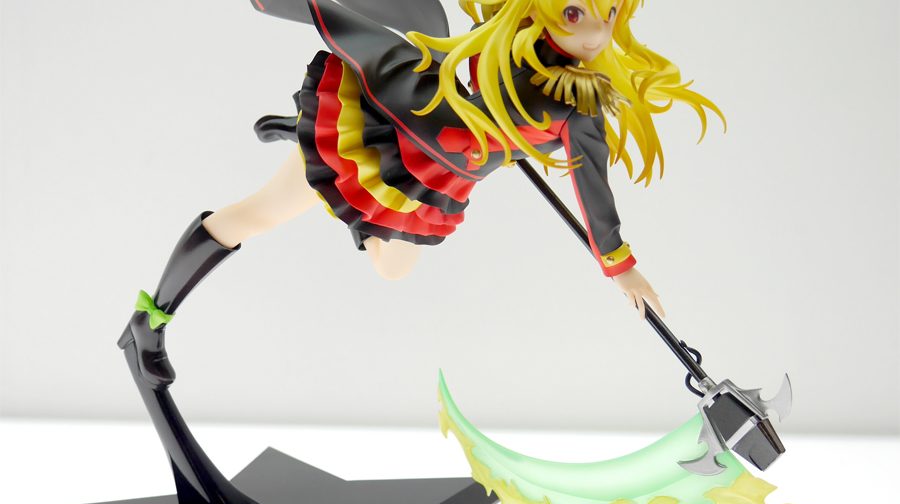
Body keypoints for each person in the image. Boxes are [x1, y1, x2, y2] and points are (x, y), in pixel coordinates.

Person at [118, 0, 724, 389]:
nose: (595, 32)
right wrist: (619, 266)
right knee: (258, 215)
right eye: (574, 13)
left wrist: (619, 265)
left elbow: (593, 190)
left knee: (392, 269)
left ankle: (305, 149)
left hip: (429, 185)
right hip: (377, 132)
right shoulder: (505, 40)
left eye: (609, 13)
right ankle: (150, 320)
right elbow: (462, 76)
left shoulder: (578, 107)